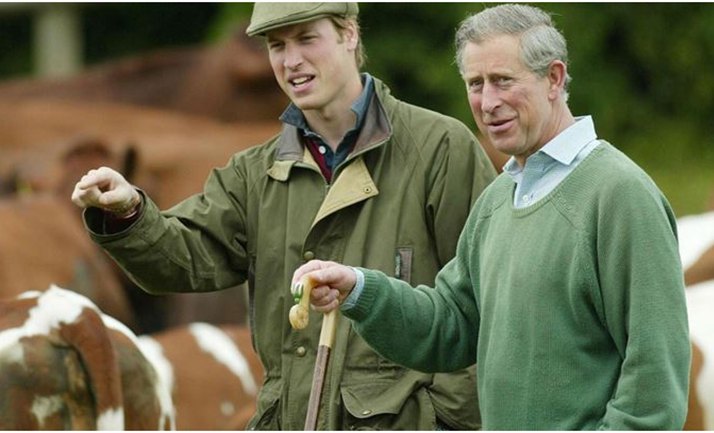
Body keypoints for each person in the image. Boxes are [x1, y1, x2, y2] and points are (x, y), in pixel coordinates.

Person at [71, 2, 496, 430]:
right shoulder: (253, 173)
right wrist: (130, 212)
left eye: (306, 39)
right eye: (277, 46)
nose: (291, 61)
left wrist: (445, 421)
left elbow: (487, 300)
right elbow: (183, 259)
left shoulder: (441, 149)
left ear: (350, 34)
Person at [294, 3, 691, 430]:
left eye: (503, 80)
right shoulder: (499, 198)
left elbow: (653, 386)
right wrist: (358, 288)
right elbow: (450, 325)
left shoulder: (620, 194)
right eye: (475, 84)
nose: (487, 102)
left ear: (554, 79)